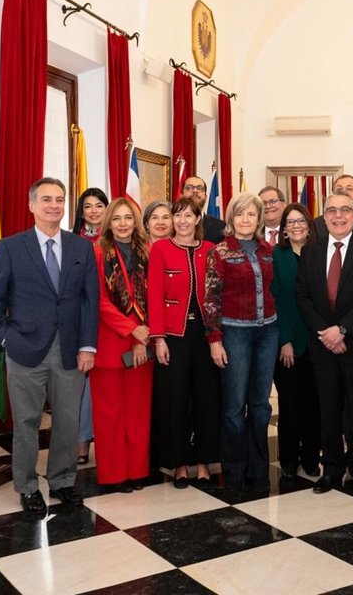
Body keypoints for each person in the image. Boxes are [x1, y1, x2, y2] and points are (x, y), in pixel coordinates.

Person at [0, 178, 98, 514]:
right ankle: (27, 485)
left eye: (60, 200)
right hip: (24, 350)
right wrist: (8, 341)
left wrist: (88, 346)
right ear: (31, 205)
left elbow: (89, 302)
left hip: (71, 351)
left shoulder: (81, 248)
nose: (54, 206)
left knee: (67, 421)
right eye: (46, 199)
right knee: (27, 422)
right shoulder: (10, 248)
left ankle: (62, 480)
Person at [296, 192, 353, 495]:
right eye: (332, 210)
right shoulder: (310, 252)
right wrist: (327, 333)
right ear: (323, 216)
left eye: (345, 210)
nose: (338, 216)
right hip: (323, 347)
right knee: (328, 411)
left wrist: (344, 330)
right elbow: (304, 297)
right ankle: (331, 470)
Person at [203, 192, 278, 490]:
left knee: (261, 405)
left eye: (251, 214)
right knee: (234, 407)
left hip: (268, 332)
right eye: (239, 214)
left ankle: (258, 469)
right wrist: (214, 340)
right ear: (231, 219)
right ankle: (234, 471)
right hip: (234, 333)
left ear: (259, 219)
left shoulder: (267, 250)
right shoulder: (219, 252)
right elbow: (210, 299)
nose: (245, 220)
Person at [148, 198, 219, 488]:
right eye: (178, 216)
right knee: (174, 399)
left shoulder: (211, 250)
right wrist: (158, 338)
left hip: (205, 336)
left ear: (198, 218)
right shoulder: (161, 248)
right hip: (174, 337)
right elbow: (154, 294)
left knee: (206, 399)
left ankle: (203, 462)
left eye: (189, 215)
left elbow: (216, 296)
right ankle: (178, 464)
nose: (182, 221)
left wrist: (217, 337)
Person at [91, 197, 153, 493]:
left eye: (129, 218)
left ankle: (137, 470)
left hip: (144, 345)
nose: (123, 224)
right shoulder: (97, 253)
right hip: (110, 345)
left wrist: (144, 336)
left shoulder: (148, 251)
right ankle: (114, 475)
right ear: (108, 223)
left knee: (138, 413)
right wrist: (133, 330)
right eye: (117, 219)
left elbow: (155, 298)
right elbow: (99, 302)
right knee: (109, 414)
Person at [270, 203, 322, 481]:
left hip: (318, 342)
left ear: (309, 225)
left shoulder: (321, 253)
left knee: (314, 404)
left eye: (301, 220)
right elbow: (275, 299)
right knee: (289, 405)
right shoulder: (276, 256)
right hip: (289, 342)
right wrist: (285, 340)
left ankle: (312, 459)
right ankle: (288, 459)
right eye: (290, 222)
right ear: (284, 230)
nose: (296, 225)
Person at [72, 187, 108, 464]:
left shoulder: (117, 240)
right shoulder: (72, 242)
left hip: (110, 322)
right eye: (87, 206)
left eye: (98, 205)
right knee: (81, 386)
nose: (93, 211)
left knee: (105, 385)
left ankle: (108, 441)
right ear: (80, 212)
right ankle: (81, 442)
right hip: (81, 321)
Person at [180, 175, 226, 244]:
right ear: (181, 195)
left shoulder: (221, 227)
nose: (195, 191)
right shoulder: (172, 224)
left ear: (206, 197)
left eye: (199, 188)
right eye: (189, 188)